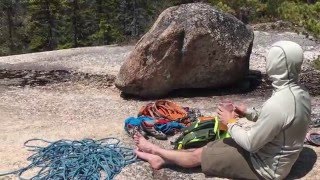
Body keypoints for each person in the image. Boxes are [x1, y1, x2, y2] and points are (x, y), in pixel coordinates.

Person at [133, 41, 311, 180]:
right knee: (212, 146)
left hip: (266, 168)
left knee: (199, 155)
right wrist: (248, 112)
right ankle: (163, 159)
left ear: (276, 64)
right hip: (274, 156)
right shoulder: (299, 93)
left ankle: (156, 153)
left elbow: (251, 143)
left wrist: (230, 121)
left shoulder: (279, 104)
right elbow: (279, 119)